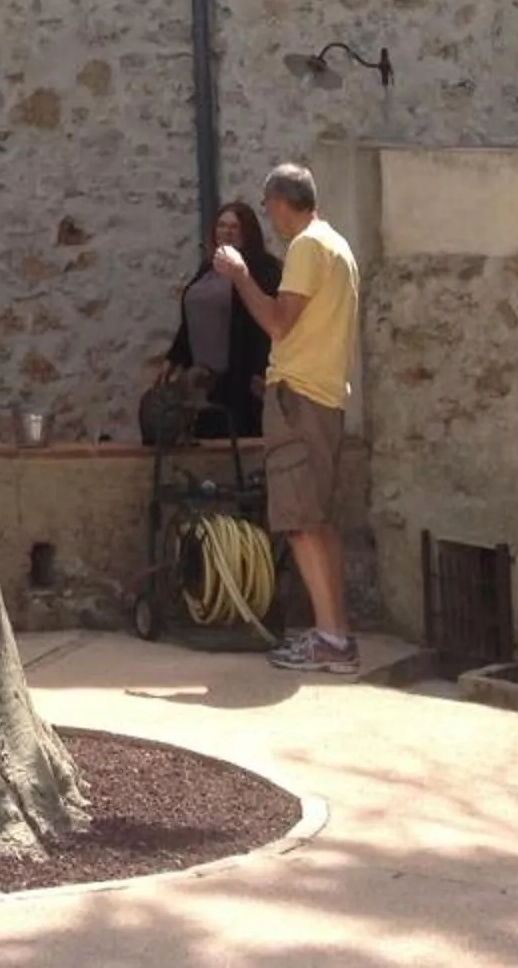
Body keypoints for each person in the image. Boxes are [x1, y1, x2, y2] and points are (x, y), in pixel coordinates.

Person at [217, 160, 363, 676]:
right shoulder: (339, 246)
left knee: (300, 524)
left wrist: (239, 275)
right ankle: (336, 635)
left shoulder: (305, 247)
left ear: (281, 202)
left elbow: (279, 323)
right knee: (318, 522)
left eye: (268, 207)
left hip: (298, 399)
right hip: (324, 398)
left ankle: (330, 642)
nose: (269, 218)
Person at [147, 200, 281, 440]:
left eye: (234, 227)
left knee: (239, 437)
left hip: (241, 375)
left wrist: (264, 372)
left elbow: (266, 320)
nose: (227, 232)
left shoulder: (263, 270)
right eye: (221, 226)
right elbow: (193, 319)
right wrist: (174, 357)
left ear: (247, 233)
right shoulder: (207, 269)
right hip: (203, 379)